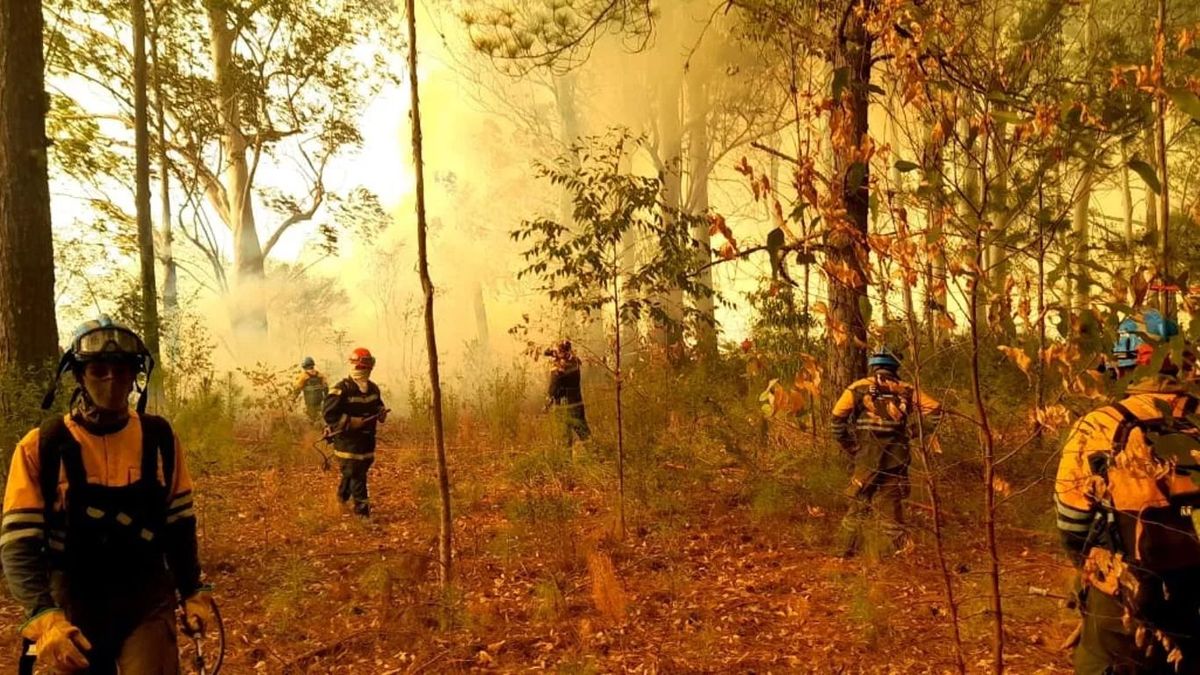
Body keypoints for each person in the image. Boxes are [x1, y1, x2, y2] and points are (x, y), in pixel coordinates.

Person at [1, 316, 216, 674]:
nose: (111, 380)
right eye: (98, 370)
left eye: (122, 370)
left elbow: (179, 524)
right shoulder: (41, 447)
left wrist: (192, 590)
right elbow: (18, 544)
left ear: (135, 376)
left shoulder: (159, 440)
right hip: (73, 603)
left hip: (146, 598)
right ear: (79, 375)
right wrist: (43, 615)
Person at [1055, 309, 1200, 673]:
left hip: (1123, 602)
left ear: (1124, 367)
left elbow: (1072, 525)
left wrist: (1094, 578)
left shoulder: (1100, 425)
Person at [830, 348, 942, 558]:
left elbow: (836, 419)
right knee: (891, 507)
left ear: (873, 366)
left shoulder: (857, 388)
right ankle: (901, 555)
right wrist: (911, 432)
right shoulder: (906, 389)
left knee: (859, 504)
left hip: (866, 458)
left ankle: (843, 553)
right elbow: (936, 411)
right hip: (896, 458)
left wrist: (850, 446)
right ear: (896, 366)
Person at [322, 347, 387, 517]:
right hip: (348, 443)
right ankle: (362, 513)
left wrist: (381, 412)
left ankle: (340, 499)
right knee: (357, 475)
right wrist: (350, 422)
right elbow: (329, 414)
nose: (365, 369)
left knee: (352, 472)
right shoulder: (341, 389)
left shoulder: (373, 388)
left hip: (367, 441)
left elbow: (378, 405)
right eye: (363, 366)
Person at [545, 340, 591, 448]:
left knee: (564, 438)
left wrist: (547, 404)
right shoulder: (575, 362)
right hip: (577, 404)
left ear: (561, 352)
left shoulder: (559, 369)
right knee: (584, 433)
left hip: (563, 407)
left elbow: (553, 388)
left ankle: (566, 458)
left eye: (556, 351)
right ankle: (596, 454)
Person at [292, 356, 328, 423]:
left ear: (304, 367)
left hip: (310, 403)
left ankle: (315, 427)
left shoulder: (303, 376)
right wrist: (326, 398)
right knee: (322, 417)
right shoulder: (320, 375)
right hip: (320, 401)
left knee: (312, 419)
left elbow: (297, 388)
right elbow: (326, 388)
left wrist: (293, 398)